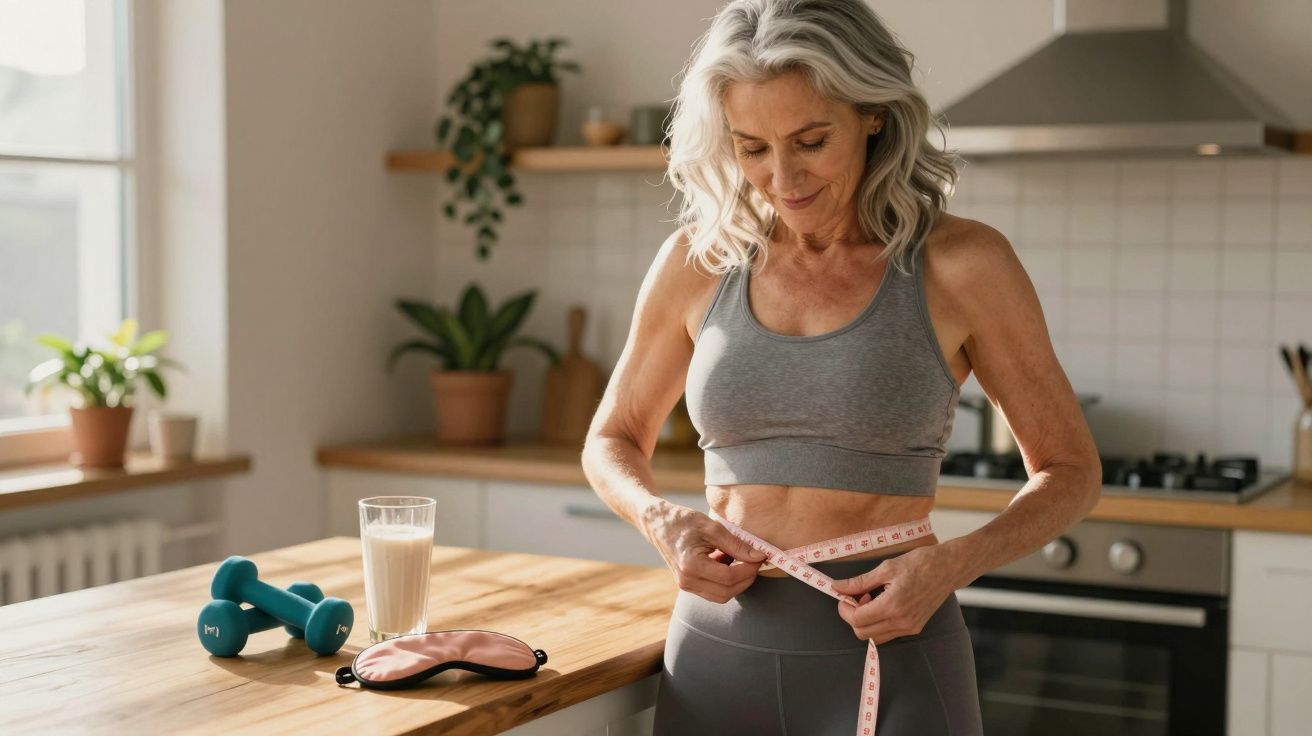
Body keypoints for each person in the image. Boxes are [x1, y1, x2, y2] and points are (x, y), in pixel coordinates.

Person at [580, 1, 1102, 733]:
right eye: (751, 147)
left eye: (810, 140)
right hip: (717, 657)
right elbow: (613, 437)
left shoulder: (962, 265)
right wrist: (661, 520)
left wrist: (952, 564)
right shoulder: (698, 262)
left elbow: (1071, 469)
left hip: (896, 657)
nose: (781, 176)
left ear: (874, 114)